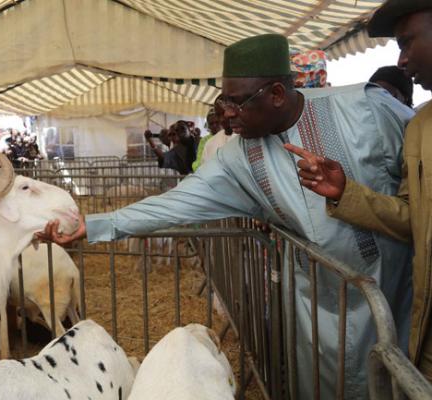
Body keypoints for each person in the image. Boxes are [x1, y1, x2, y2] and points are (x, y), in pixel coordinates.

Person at [39, 34, 414, 399]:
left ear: (277, 95)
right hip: (311, 302)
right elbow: (178, 202)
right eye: (224, 101)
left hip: (392, 289)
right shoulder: (239, 157)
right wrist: (98, 224)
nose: (228, 116)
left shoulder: (367, 107)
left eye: (238, 103)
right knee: (316, 385)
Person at [285, 0, 432, 382]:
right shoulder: (421, 127)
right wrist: (344, 193)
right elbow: (409, 219)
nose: (400, 60)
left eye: (407, 42)